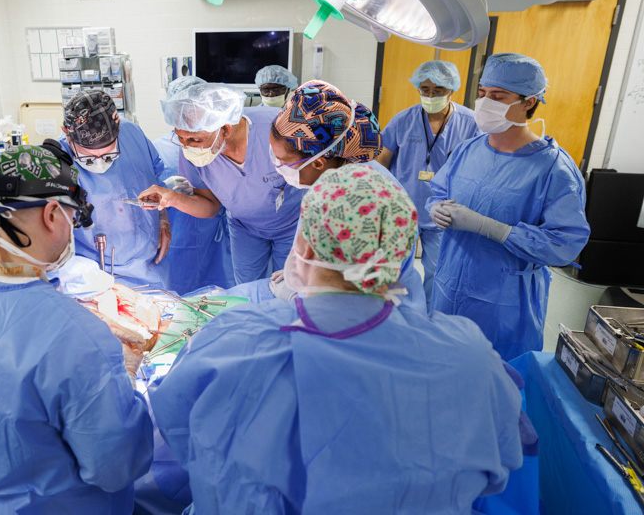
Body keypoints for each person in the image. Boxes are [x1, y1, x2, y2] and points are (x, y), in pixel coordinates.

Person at [150, 165, 525, 514]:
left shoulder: (233, 343)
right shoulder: (468, 356)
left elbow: (176, 436)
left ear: (307, 247)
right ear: (399, 255)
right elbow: (503, 460)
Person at [0, 143, 153, 513]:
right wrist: (123, 377)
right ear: (53, 213)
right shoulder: (78, 342)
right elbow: (116, 468)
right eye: (73, 219)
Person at [427, 53, 591, 361]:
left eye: (498, 97)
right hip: (449, 290)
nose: (486, 103)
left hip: (502, 305)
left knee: (497, 385)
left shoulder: (553, 169)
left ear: (529, 101)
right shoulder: (468, 150)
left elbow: (564, 243)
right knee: (444, 369)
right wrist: (435, 207)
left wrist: (494, 229)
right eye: (482, 94)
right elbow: (438, 189)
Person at [267, 79, 427, 314]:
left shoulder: (361, 203)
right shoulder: (339, 176)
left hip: (378, 323)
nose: (277, 166)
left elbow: (350, 299)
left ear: (319, 162)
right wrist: (304, 271)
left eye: (282, 161)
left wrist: (300, 297)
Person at [139, 83, 304, 284]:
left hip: (293, 224)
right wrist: (173, 198)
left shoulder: (275, 129)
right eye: (180, 137)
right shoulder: (193, 154)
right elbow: (210, 206)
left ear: (225, 129)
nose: (186, 146)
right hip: (246, 228)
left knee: (291, 289)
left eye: (194, 139)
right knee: (247, 289)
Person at [377, 61, 479, 307]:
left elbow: (479, 168)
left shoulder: (470, 123)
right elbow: (380, 162)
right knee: (395, 270)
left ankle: (429, 320)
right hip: (402, 210)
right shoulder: (403, 120)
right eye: (425, 90)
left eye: (438, 90)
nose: (431, 96)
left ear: (452, 89)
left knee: (437, 273)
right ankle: (395, 318)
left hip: (444, 213)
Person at [60, 89, 171, 289]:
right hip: (96, 275)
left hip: (150, 266)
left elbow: (156, 175)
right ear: (67, 134)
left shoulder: (132, 133)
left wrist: (163, 218)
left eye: (109, 153)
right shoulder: (55, 162)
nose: (101, 163)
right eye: (88, 157)